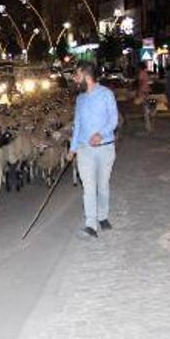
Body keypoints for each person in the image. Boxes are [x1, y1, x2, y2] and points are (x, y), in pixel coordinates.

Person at [66, 61, 118, 239]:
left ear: (86, 75)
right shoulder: (80, 99)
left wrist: (101, 134)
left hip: (105, 148)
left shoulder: (106, 94)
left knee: (102, 185)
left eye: (76, 75)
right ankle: (90, 224)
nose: (74, 78)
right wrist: (72, 149)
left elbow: (113, 120)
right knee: (88, 187)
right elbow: (78, 125)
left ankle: (103, 216)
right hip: (84, 149)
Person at [136, 62, 152, 132]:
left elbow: (140, 82)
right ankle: (147, 115)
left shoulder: (141, 73)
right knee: (146, 105)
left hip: (142, 91)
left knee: (142, 105)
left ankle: (146, 117)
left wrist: (138, 90)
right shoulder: (146, 73)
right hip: (147, 90)